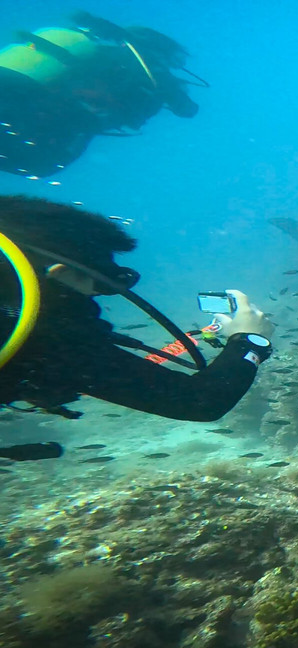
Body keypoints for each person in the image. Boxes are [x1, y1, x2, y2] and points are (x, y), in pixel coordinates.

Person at [0, 196, 273, 459]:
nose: (98, 296)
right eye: (103, 284)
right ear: (61, 272)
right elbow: (199, 401)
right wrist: (249, 340)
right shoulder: (43, 336)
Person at [0, 11, 201, 178]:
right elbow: (187, 109)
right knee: (46, 162)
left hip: (16, 88)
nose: (175, 65)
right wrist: (177, 93)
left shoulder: (101, 54)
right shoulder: (149, 67)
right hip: (41, 106)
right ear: (160, 49)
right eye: (176, 59)